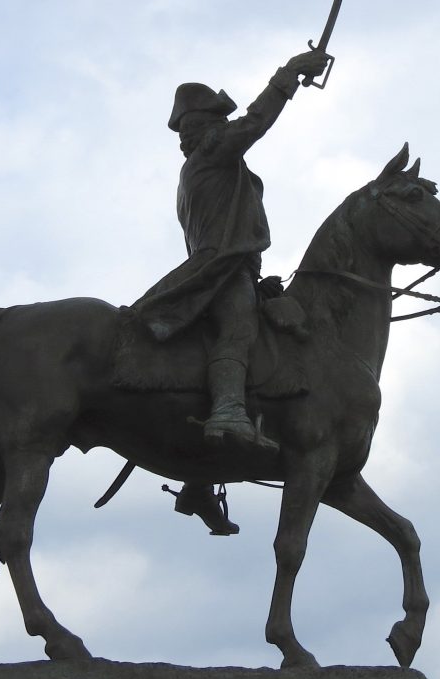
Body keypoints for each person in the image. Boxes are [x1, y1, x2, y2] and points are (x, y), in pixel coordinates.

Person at [133, 49, 328, 533]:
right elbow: (256, 123)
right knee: (239, 328)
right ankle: (227, 412)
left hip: (234, 265)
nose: (225, 125)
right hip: (219, 269)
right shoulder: (213, 153)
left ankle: (200, 483)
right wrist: (289, 76)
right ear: (205, 127)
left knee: (266, 337)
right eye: (217, 120)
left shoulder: (207, 163)